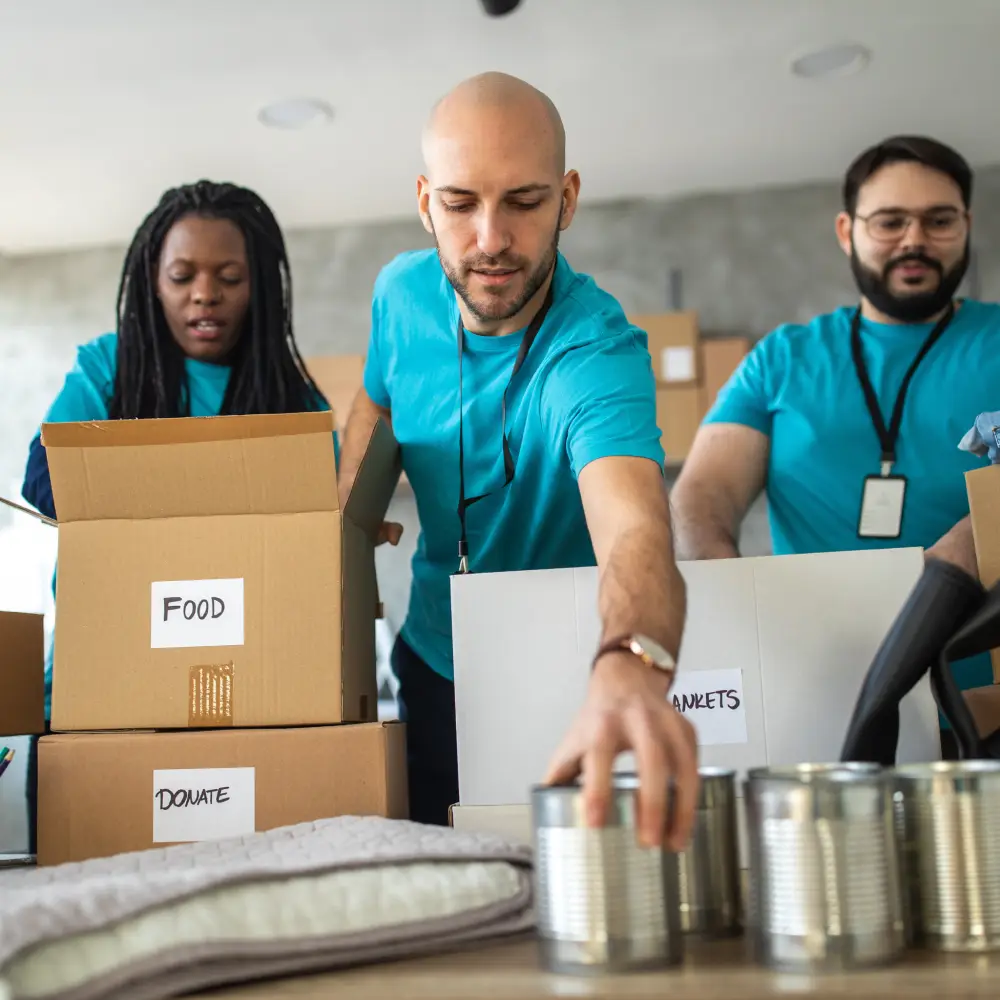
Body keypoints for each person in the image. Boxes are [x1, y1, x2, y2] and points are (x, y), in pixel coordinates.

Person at [337, 72, 698, 849]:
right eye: (462, 204)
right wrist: (348, 521)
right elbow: (376, 396)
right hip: (433, 662)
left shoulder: (595, 354)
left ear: (566, 200)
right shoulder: (400, 293)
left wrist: (631, 661)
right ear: (427, 202)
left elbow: (636, 533)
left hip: (571, 680)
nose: (492, 239)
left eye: (525, 202)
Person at [21, 179, 329, 853]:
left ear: (262, 286)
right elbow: (47, 480)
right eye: (182, 275)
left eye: (229, 277)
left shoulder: (290, 394)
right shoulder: (110, 369)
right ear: (150, 281)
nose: (204, 294)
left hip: (257, 700)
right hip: (98, 698)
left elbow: (321, 518)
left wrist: (145, 492)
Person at [671, 135, 999, 746]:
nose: (914, 240)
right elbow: (702, 496)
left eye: (939, 220)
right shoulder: (781, 359)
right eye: (890, 221)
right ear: (847, 231)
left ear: (967, 226)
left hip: (978, 695)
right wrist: (743, 610)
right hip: (814, 696)